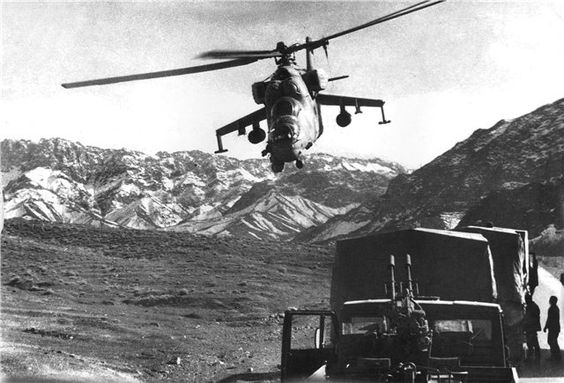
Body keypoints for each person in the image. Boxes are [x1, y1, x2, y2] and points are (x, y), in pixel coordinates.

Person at [523, 294, 541, 362]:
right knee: (532, 343)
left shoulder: (531, 307)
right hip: (531, 328)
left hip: (531, 328)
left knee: (532, 343)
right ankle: (536, 357)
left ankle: (533, 357)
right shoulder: (533, 306)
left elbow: (531, 318)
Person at [544, 295, 561, 361]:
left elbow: (549, 319)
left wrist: (546, 326)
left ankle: (555, 356)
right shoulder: (556, 308)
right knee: (553, 341)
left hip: (553, 328)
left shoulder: (551, 309)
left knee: (551, 341)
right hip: (556, 328)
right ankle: (557, 356)